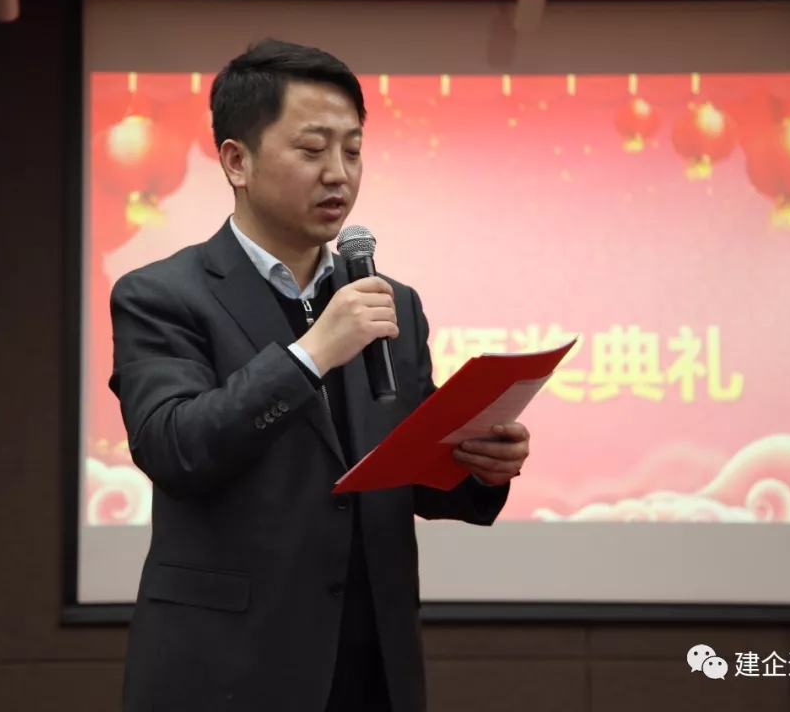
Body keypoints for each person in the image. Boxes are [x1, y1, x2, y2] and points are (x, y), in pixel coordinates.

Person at [108, 38, 530, 712]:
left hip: (370, 667)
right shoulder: (162, 294)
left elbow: (407, 473)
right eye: (312, 150)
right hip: (227, 671)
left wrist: (478, 465)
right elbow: (175, 447)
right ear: (237, 161)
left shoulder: (393, 302)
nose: (339, 174)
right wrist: (311, 353)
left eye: (353, 151)